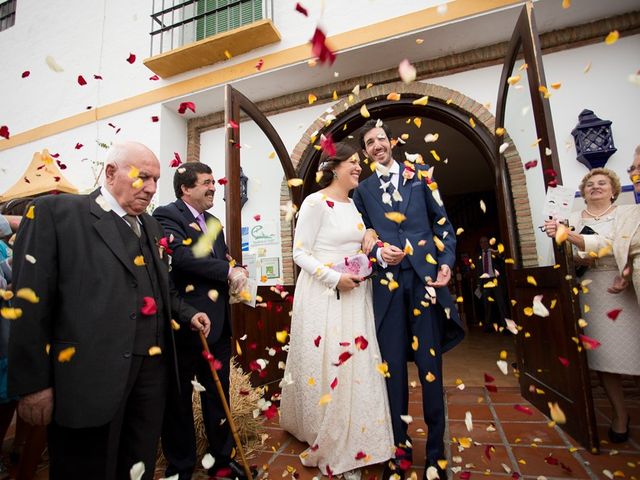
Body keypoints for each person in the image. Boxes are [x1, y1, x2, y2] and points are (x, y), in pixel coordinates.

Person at [8, 141, 211, 479]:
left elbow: (160, 289)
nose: (150, 188)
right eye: (143, 177)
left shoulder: (151, 227)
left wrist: (187, 313)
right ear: (111, 172)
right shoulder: (56, 215)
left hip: (151, 379)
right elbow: (30, 303)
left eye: (156, 180)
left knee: (137, 464)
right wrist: (33, 385)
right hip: (89, 381)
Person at [352, 120, 465, 480]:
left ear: (391, 142)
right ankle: (398, 453)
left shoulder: (422, 177)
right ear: (366, 151)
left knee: (431, 372)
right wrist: (381, 256)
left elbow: (443, 227)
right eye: (369, 143)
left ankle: (436, 455)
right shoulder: (362, 192)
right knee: (393, 373)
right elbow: (360, 243)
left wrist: (446, 263)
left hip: (425, 283)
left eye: (380, 139)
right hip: (386, 291)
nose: (376, 146)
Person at [280, 143, 394, 480]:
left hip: (357, 295)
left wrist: (374, 242)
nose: (360, 167)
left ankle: (360, 436)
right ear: (335, 167)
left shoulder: (354, 206)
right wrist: (333, 278)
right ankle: (331, 439)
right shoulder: (316, 203)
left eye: (360, 163)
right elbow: (299, 253)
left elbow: (357, 241)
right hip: (325, 294)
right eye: (354, 163)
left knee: (357, 366)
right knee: (332, 363)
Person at [153, 162, 250, 480]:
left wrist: (237, 268)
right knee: (179, 401)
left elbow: (219, 258)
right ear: (186, 188)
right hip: (183, 325)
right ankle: (180, 466)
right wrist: (226, 271)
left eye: (213, 182)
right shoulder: (167, 215)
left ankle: (221, 461)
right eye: (207, 182)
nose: (213, 187)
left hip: (218, 326)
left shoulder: (213, 222)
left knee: (217, 397)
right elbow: (180, 256)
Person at [544, 167, 639, 444]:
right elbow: (565, 256)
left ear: (613, 190)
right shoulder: (571, 219)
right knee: (606, 361)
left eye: (602, 183)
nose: (595, 187)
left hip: (626, 291)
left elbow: (615, 245)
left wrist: (570, 236)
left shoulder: (629, 214)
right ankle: (620, 415)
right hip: (591, 293)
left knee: (636, 355)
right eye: (590, 185)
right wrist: (572, 252)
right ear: (583, 193)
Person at [476, 236, 508, 332]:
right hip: (485, 282)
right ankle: (489, 326)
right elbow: (478, 270)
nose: (484, 243)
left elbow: (503, 260)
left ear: (488, 243)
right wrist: (478, 285)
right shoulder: (478, 255)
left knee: (501, 303)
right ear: (480, 244)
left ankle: (506, 326)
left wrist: (497, 254)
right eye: (482, 242)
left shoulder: (494, 252)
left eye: (485, 241)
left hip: (495, 281)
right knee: (487, 305)